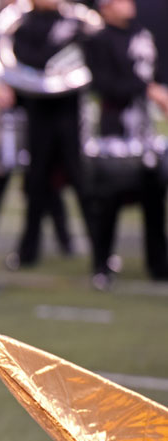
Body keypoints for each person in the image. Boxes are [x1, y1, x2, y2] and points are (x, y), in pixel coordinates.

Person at [83, 0, 168, 287]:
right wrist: (146, 89)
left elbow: (154, 76)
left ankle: (158, 264)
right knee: (109, 203)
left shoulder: (142, 34)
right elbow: (105, 85)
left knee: (154, 201)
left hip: (145, 135)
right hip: (114, 136)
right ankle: (102, 264)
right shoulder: (99, 40)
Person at [8, 0, 91, 269]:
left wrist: (55, 56)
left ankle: (98, 250)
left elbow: (91, 54)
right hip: (39, 113)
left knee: (81, 181)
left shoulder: (77, 21)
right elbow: (29, 60)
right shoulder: (24, 25)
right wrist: (58, 52)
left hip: (68, 112)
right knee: (36, 183)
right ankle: (28, 250)